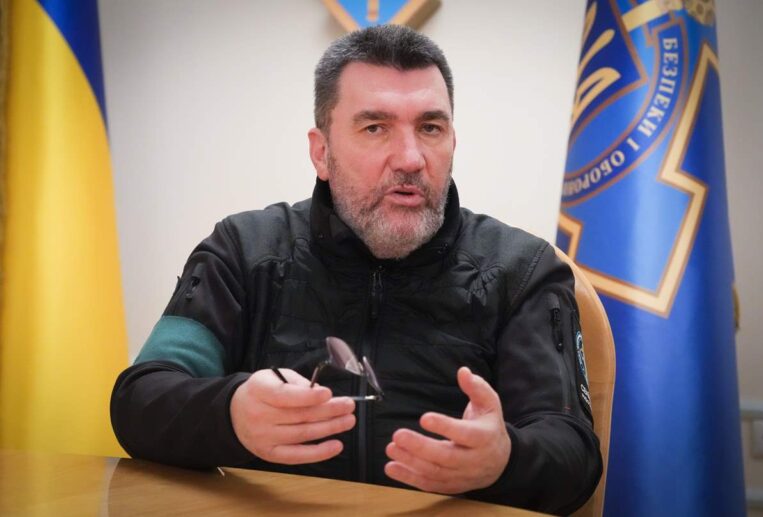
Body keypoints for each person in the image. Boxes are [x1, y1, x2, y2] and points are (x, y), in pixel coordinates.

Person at [110, 24, 601, 515]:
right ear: (321, 152)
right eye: (375, 128)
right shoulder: (244, 251)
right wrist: (230, 413)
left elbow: (574, 455)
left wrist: (504, 460)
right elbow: (140, 398)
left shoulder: (522, 270)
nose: (410, 158)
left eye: (430, 128)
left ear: (453, 141)